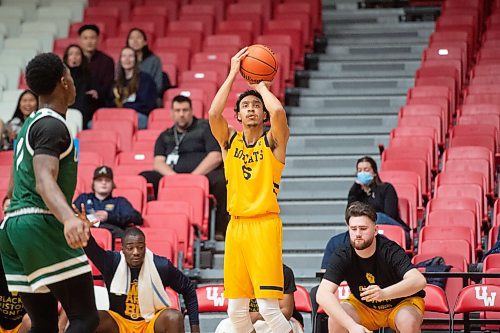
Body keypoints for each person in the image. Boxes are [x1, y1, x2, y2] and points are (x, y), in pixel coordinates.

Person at [0, 53, 98, 332]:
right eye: (70, 74)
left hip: (13, 226)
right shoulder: (52, 124)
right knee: (84, 317)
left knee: (43, 323)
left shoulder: (27, 127)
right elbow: (44, 180)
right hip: (39, 223)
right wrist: (67, 217)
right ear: (63, 81)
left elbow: (11, 190)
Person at [208, 47, 292, 333]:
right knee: (235, 309)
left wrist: (259, 86)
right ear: (239, 115)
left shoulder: (273, 143)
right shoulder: (229, 142)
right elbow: (213, 112)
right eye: (246, 106)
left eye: (257, 106)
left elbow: (279, 110)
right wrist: (233, 72)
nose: (252, 109)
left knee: (268, 308)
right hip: (236, 228)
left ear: (263, 113)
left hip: (264, 225)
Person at [316, 201, 426, 333]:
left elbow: (419, 280)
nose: (357, 234)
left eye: (363, 229)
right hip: (364, 305)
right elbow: (322, 294)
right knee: (336, 319)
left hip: (401, 302)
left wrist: (384, 293)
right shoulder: (343, 254)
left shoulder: (390, 250)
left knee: (407, 319)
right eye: (353, 229)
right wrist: (352, 326)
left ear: (375, 230)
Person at [140, 95, 227, 240]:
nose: (181, 114)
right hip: (172, 176)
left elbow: (215, 156)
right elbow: (158, 162)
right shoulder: (165, 135)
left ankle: (219, 230)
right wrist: (174, 179)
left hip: (203, 175)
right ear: (171, 113)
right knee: (145, 177)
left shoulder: (206, 127)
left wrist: (193, 178)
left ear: (192, 111)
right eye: (177, 110)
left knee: (222, 180)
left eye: (185, 110)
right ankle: (148, 227)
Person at [83, 226, 200, 333]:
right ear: (122, 249)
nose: (136, 252)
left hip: (151, 322)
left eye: (140, 247)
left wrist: (195, 329)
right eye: (130, 248)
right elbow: (91, 249)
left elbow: (188, 289)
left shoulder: (161, 265)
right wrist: (84, 230)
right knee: (91, 318)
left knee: (174, 316)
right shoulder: (111, 262)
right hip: (120, 323)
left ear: (145, 247)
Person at [215, 264, 304, 333]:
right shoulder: (238, 271)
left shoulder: (283, 271)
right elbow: (235, 309)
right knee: (224, 326)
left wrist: (256, 316)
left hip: (275, 318)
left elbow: (286, 312)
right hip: (248, 319)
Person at [348, 156, 411, 247]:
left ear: (374, 173)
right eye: (360, 170)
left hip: (392, 228)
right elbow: (350, 215)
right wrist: (354, 189)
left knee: (378, 217)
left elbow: (390, 214)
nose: (362, 173)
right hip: (367, 231)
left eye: (366, 170)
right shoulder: (357, 194)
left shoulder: (386, 188)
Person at [73, 165, 143, 240]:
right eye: (99, 180)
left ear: (112, 184)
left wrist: (109, 216)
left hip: (112, 238)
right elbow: (70, 213)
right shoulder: (83, 198)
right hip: (84, 235)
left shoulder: (119, 202)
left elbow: (137, 218)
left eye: (107, 180)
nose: (104, 183)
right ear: (93, 183)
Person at [110, 47, 157, 129]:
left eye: (131, 56)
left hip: (137, 114)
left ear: (136, 60)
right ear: (120, 60)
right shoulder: (115, 81)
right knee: (92, 124)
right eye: (124, 56)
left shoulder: (145, 79)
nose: (127, 59)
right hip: (118, 114)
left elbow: (146, 104)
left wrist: (125, 106)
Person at [78, 24, 114, 113]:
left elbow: (108, 85)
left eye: (92, 38)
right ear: (79, 40)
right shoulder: (74, 60)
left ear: (98, 39)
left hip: (99, 102)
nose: (89, 41)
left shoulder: (107, 61)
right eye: (85, 38)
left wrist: (98, 92)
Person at [63, 44, 98, 129]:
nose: (74, 57)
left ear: (82, 57)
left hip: (83, 115)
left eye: (77, 54)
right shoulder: (60, 78)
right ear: (66, 58)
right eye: (71, 54)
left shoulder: (89, 76)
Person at [126, 28, 164, 98]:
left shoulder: (154, 60)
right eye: (131, 38)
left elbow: (158, 86)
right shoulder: (124, 60)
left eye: (138, 37)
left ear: (145, 42)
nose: (135, 41)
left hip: (147, 97)